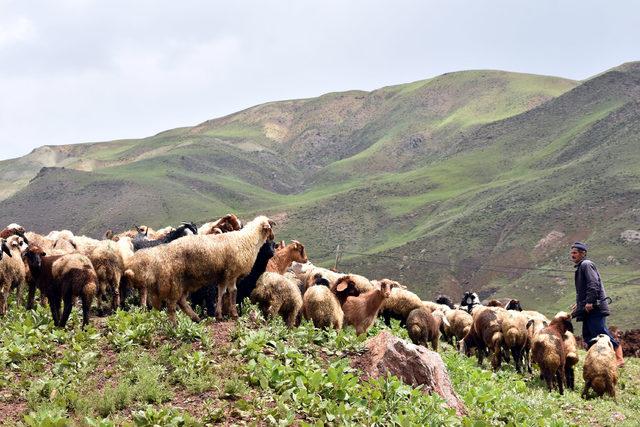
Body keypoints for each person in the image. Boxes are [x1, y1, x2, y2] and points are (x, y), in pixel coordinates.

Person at [569, 242, 624, 367]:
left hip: (595, 307)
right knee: (589, 334)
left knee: (601, 333)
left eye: (575, 253)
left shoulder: (586, 264)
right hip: (588, 308)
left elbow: (593, 284)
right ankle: (596, 360)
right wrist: (579, 304)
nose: (572, 255)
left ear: (583, 253)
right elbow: (584, 290)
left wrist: (589, 302)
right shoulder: (581, 267)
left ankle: (619, 359)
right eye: (571, 253)